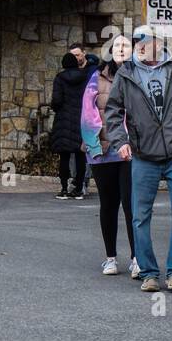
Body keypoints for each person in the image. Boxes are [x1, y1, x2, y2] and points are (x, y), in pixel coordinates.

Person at [105, 25, 172, 294]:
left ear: (159, 42)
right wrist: (120, 142)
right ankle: (148, 273)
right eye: (136, 39)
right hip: (143, 153)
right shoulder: (126, 74)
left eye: (144, 39)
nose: (139, 44)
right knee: (139, 216)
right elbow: (113, 111)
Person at [81, 35, 138, 276]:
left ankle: (137, 258)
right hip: (103, 151)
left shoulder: (140, 76)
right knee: (108, 204)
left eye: (126, 45)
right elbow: (87, 113)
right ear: (110, 51)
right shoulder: (97, 77)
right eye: (117, 45)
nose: (121, 49)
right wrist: (94, 147)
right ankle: (111, 258)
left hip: (131, 152)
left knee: (131, 205)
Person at [50, 45, 91, 198]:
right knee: (80, 156)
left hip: (63, 122)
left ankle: (64, 189)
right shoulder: (84, 77)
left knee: (64, 157)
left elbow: (57, 100)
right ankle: (79, 188)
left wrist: (56, 108)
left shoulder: (60, 78)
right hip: (81, 120)